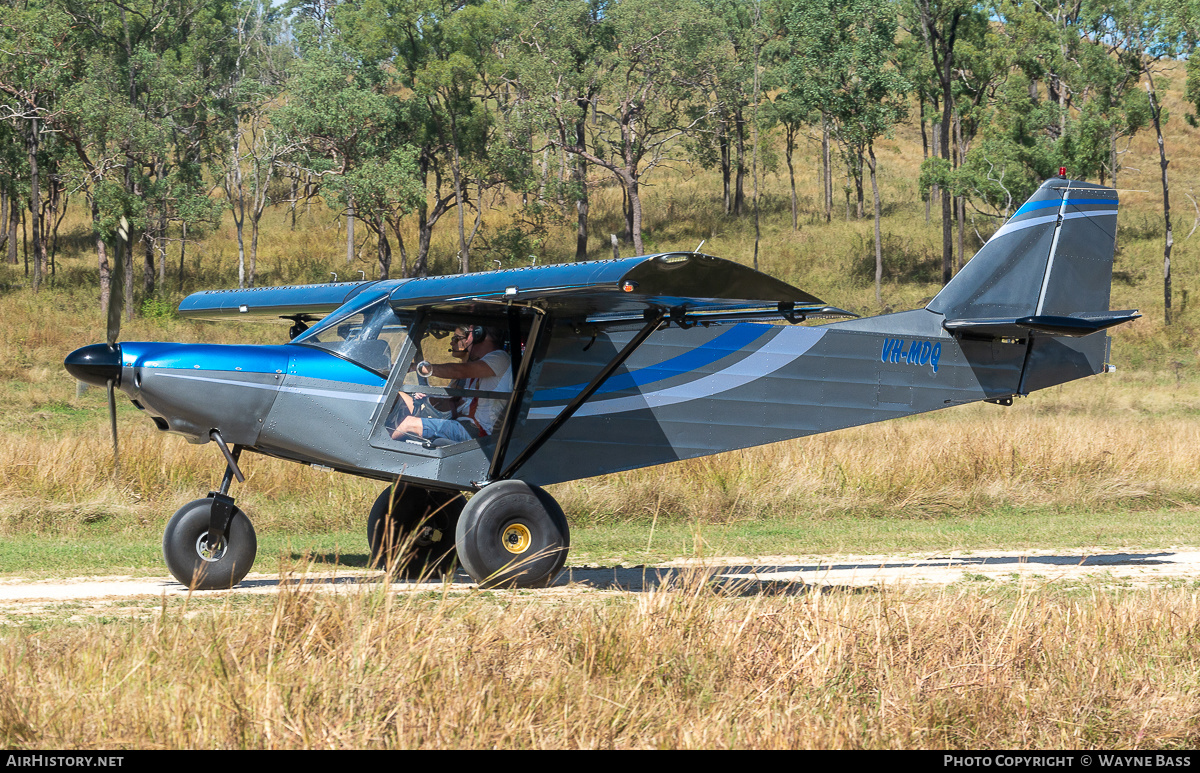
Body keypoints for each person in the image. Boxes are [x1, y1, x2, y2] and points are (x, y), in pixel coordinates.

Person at [389, 325, 512, 444]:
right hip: (463, 424)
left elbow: (459, 371)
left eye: (468, 334)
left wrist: (419, 368)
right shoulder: (481, 369)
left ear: (479, 335)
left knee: (409, 424)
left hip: (477, 432)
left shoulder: (499, 358)